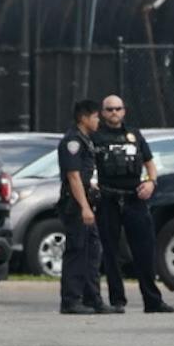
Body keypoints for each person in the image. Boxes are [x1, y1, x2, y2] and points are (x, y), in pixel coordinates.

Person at [92, 95, 174, 314]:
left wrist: (151, 183)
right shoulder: (96, 136)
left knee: (144, 250)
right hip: (108, 198)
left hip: (134, 198)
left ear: (124, 111)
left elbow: (150, 164)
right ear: (102, 112)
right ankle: (117, 300)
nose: (114, 113)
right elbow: (87, 166)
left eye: (118, 109)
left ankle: (152, 300)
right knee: (111, 251)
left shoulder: (134, 135)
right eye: (109, 109)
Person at [57, 99, 105, 317]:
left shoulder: (86, 140)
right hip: (76, 205)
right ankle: (71, 300)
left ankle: (92, 298)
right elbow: (73, 177)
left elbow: (84, 176)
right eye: (95, 116)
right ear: (84, 118)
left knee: (92, 251)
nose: (98, 120)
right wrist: (84, 207)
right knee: (77, 251)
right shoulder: (73, 142)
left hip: (86, 200)